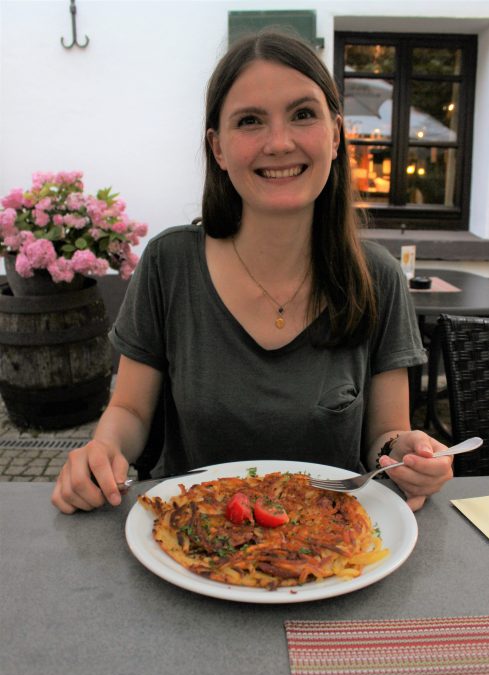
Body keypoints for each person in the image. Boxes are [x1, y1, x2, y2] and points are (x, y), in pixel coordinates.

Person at [52, 30, 453, 515]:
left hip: (334, 556)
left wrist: (407, 455)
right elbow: (130, 411)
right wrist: (103, 451)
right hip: (185, 546)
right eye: (250, 121)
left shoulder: (379, 278)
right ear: (218, 148)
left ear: (335, 134)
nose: (279, 142)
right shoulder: (168, 263)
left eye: (303, 114)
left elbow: (383, 439)